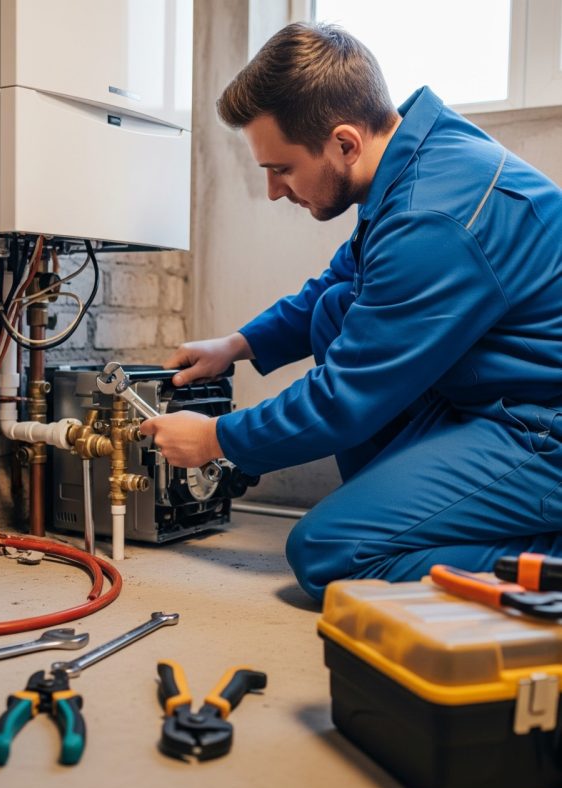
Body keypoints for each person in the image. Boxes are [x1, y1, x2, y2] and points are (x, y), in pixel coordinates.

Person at [140, 22, 562, 602]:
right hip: (496, 398)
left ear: (343, 143)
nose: (273, 191)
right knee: (338, 309)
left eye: (280, 169)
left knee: (328, 551)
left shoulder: (432, 220)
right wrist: (237, 345)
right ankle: (405, 512)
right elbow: (338, 284)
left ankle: (547, 558)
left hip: (541, 432)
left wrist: (216, 438)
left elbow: (343, 398)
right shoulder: (412, 157)